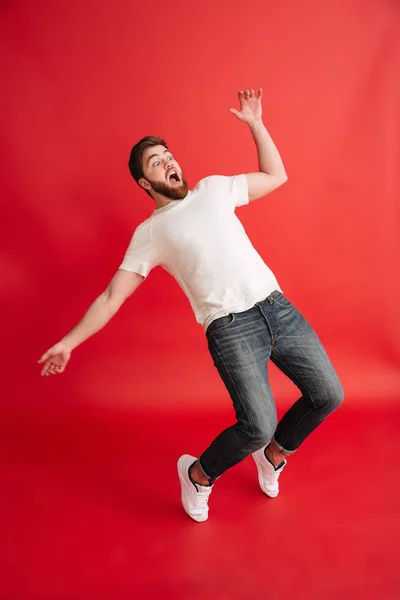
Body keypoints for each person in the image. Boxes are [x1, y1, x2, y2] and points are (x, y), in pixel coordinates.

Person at [38, 88, 344, 523]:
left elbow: (275, 176)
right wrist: (69, 342)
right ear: (146, 184)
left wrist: (256, 125)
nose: (169, 163)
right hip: (231, 328)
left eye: (168, 155)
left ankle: (273, 455)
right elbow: (111, 297)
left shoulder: (215, 189)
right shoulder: (151, 232)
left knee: (328, 394)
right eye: (156, 163)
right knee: (256, 424)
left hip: (277, 308)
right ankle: (198, 475)